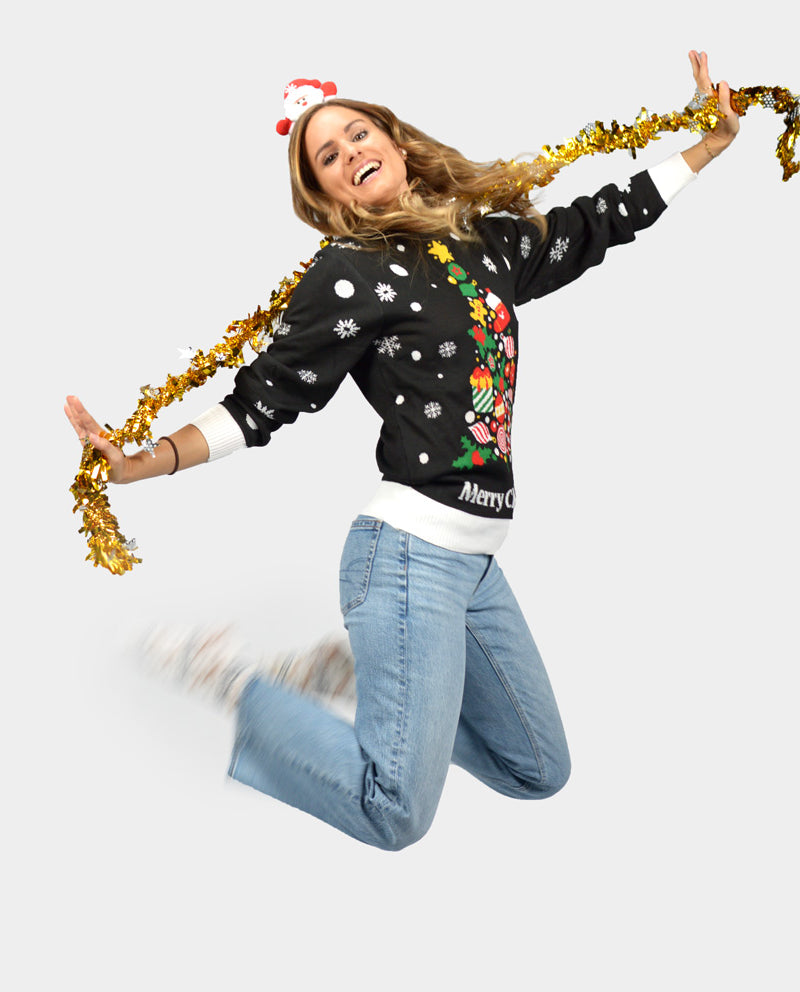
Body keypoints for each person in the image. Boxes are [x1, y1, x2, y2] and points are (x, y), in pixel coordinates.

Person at [65, 52, 740, 850]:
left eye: (357, 133)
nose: (350, 151)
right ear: (323, 197)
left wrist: (706, 144)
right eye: (328, 156)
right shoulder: (348, 277)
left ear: (394, 138)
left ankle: (368, 679)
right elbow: (260, 403)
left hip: (476, 563)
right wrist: (142, 461)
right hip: (409, 553)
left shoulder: (480, 242)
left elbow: (595, 224)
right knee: (395, 814)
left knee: (537, 769)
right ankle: (241, 683)